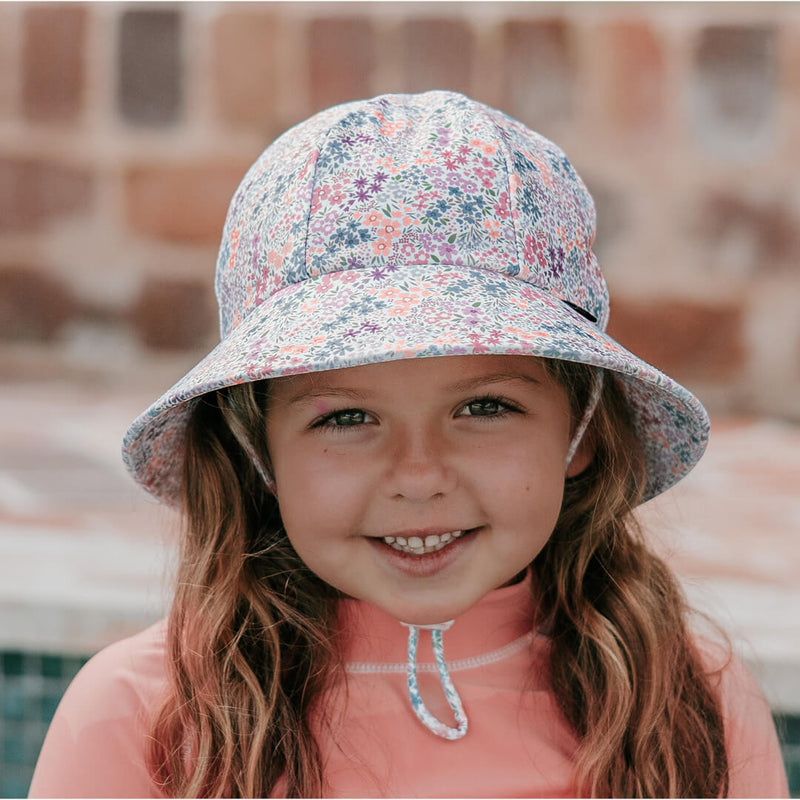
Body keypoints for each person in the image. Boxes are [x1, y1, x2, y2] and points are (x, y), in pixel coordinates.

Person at [29, 91, 788, 798]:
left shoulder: (690, 703)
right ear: (257, 452)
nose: (419, 477)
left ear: (583, 431)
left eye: (485, 406)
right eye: (347, 419)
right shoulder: (141, 720)